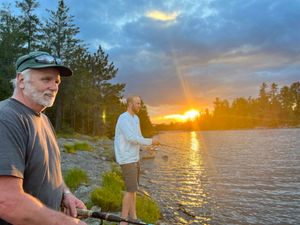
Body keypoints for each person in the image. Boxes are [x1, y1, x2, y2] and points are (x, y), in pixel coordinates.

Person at [0, 51, 87, 225]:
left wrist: (65, 193)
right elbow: (7, 201)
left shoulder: (44, 119)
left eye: (56, 82)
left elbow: (48, 172)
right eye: (46, 79)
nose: (54, 87)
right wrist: (66, 223)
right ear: (21, 80)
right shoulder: (6, 118)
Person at [114, 95, 159, 224]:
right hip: (126, 159)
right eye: (137, 103)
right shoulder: (123, 118)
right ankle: (123, 221)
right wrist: (151, 140)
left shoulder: (136, 119)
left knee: (134, 189)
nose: (139, 106)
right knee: (130, 190)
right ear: (129, 104)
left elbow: (138, 137)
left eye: (140, 103)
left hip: (135, 158)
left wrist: (147, 148)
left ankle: (133, 218)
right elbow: (130, 138)